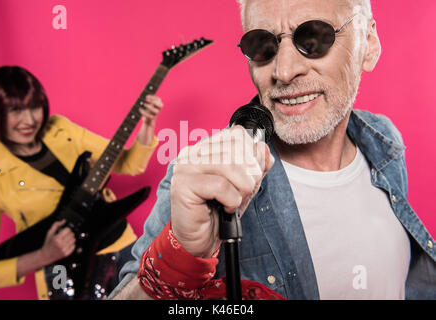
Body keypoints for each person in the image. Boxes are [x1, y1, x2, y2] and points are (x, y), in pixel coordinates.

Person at [111, 0, 436, 300]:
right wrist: (182, 258)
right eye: (263, 45)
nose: (283, 72)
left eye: (313, 39)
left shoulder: (381, 140)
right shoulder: (205, 180)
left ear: (368, 43)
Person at [0, 65, 164, 299]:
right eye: (16, 110)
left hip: (121, 250)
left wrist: (148, 124)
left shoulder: (60, 129)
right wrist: (43, 256)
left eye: (35, 107)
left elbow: (129, 164)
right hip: (64, 271)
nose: (29, 120)